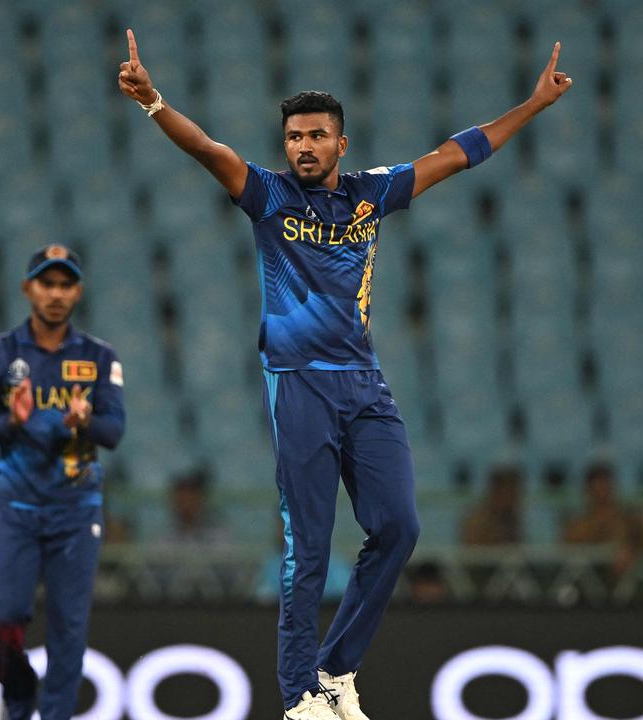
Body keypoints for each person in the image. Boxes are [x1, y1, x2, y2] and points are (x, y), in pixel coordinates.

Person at [119, 29, 573, 720]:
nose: (302, 146)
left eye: (317, 136)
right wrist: (155, 103)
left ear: (342, 144)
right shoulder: (268, 197)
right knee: (306, 545)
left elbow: (457, 153)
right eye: (294, 136)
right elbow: (209, 150)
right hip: (299, 380)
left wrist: (533, 105)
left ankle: (336, 669)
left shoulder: (371, 195)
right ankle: (300, 694)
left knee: (399, 527)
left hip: (365, 385)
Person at [0, 244, 126, 719]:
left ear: (77, 292)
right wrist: (13, 421)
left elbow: (114, 432)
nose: (55, 294)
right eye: (46, 283)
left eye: (65, 285)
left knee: (68, 631)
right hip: (17, 508)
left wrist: (85, 422)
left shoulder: (99, 356)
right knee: (5, 619)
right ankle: (18, 693)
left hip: (76, 511)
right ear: (27, 289)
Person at [562, 462, 642, 579]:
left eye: (606, 486)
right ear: (588, 490)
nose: (603, 492)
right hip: (589, 581)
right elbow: (569, 544)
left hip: (625, 583)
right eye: (598, 487)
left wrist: (631, 548)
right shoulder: (579, 523)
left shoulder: (626, 518)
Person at [461, 465, 524, 546]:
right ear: (496, 491)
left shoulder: (511, 518)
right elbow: (473, 553)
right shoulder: (477, 520)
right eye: (511, 493)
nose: (515, 499)